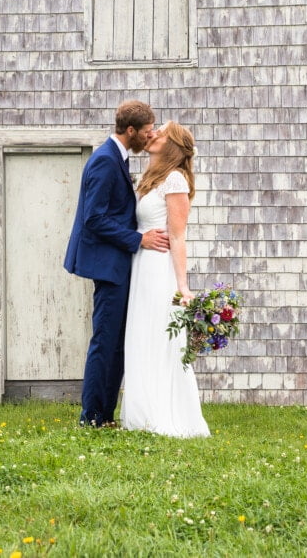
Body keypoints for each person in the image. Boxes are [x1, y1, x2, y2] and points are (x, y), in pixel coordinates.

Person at [64, 100, 170, 427]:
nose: (149, 136)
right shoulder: (105, 162)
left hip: (117, 265)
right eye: (147, 131)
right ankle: (91, 417)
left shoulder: (118, 159)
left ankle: (104, 414)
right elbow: (93, 218)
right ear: (130, 131)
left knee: (116, 343)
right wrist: (138, 240)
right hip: (107, 266)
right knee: (105, 342)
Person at [120, 121, 210, 438]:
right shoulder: (151, 178)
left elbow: (178, 236)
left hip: (160, 270)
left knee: (158, 338)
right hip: (142, 264)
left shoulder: (174, 179)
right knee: (142, 337)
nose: (153, 133)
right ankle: (142, 413)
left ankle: (162, 414)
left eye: (161, 132)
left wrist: (182, 286)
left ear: (172, 144)